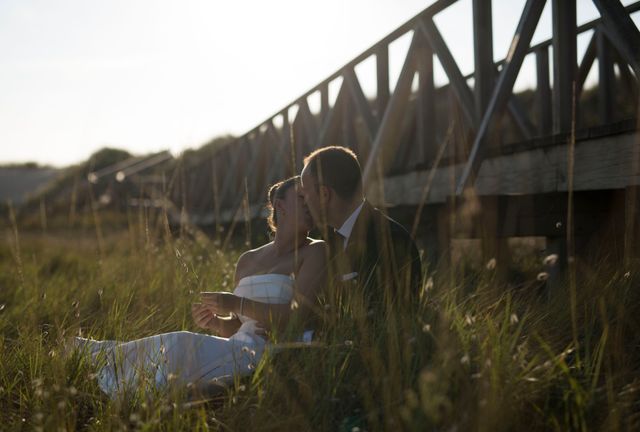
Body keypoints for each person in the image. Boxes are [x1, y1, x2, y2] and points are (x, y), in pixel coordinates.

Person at [73, 176, 327, 396]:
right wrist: (215, 322)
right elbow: (239, 328)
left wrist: (236, 303)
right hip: (239, 346)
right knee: (178, 346)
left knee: (180, 345)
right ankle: (99, 362)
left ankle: (106, 369)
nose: (311, 204)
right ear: (280, 206)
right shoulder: (247, 260)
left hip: (272, 352)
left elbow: (297, 317)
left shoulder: (315, 250)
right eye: (303, 198)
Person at [300, 146, 422, 306]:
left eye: (305, 194)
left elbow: (389, 315)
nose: (303, 202)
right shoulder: (329, 241)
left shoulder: (390, 240)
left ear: (324, 194)